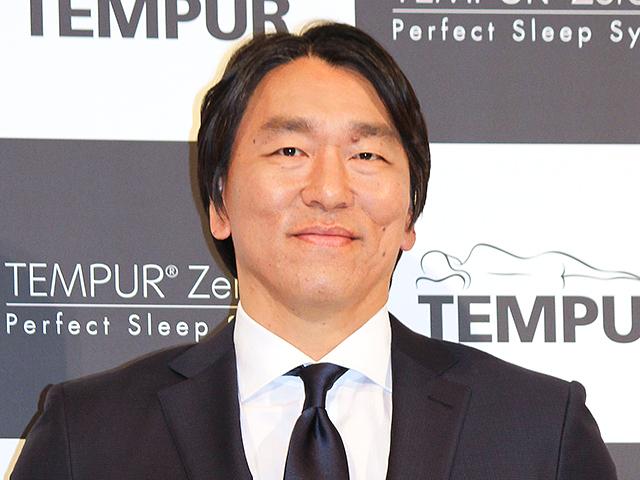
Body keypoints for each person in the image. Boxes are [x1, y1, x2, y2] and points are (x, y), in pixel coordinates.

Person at [11, 23, 616, 480]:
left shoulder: (540, 432)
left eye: (366, 155)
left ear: (410, 213)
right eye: (289, 152)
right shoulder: (87, 436)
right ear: (219, 203)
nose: (329, 190)